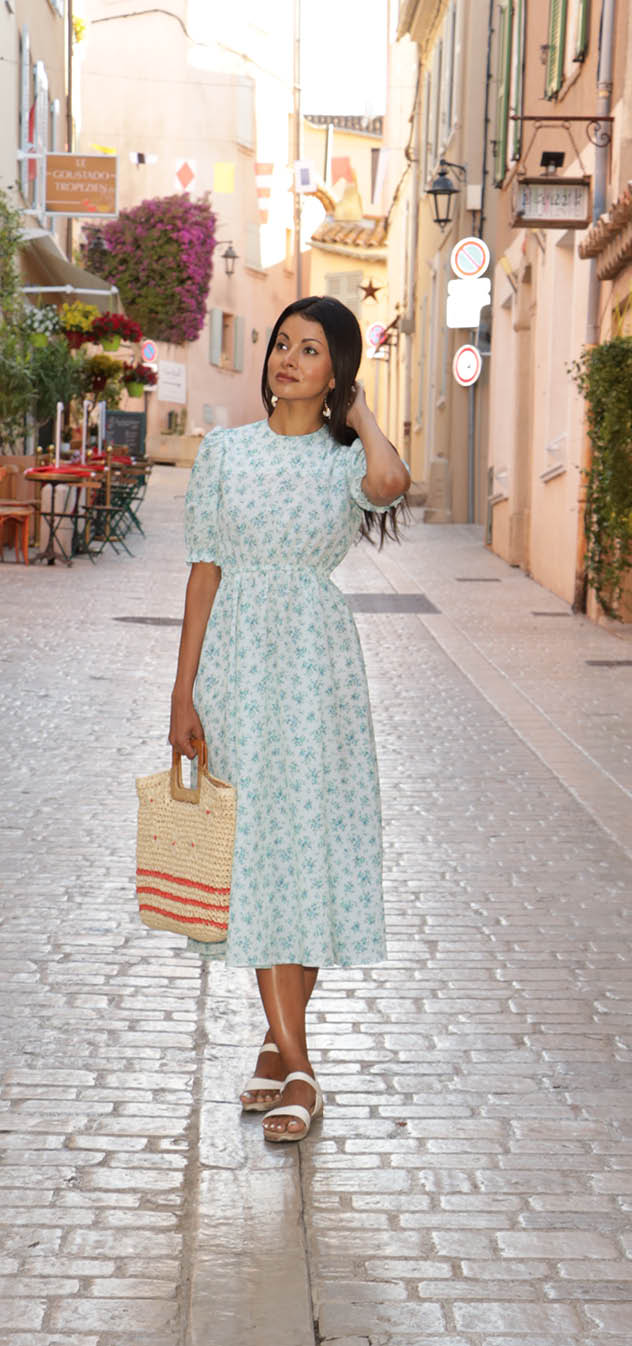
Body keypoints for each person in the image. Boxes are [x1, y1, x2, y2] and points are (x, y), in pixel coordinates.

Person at [169, 296, 411, 1142]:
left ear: (334, 371)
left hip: (317, 674)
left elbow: (390, 484)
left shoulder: (344, 462)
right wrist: (183, 694)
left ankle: (284, 1053)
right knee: (257, 851)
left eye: (310, 349)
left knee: (302, 848)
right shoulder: (225, 453)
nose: (287, 358)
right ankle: (296, 1062)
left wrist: (362, 409)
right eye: (281, 343)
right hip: (238, 663)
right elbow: (204, 573)